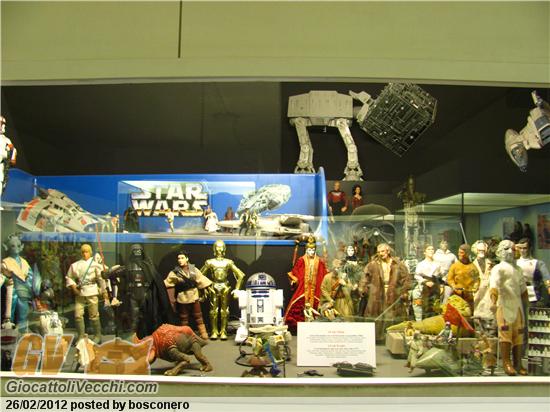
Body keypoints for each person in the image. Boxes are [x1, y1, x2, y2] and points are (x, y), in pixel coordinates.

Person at [489, 240, 528, 376]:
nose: (510, 251)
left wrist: (527, 305)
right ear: (500, 252)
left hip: (517, 306)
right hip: (504, 304)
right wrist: (493, 302)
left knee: (519, 333)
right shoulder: (498, 268)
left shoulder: (518, 269)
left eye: (512, 249)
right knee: (505, 333)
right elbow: (494, 286)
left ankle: (518, 363)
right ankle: (506, 362)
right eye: (506, 249)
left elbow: (523, 289)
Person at [360, 243, 411, 341]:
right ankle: (377, 338)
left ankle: (392, 338)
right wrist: (363, 288)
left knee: (392, 315)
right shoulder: (373, 264)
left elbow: (406, 278)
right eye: (378, 252)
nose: (380, 253)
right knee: (376, 314)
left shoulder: (397, 264)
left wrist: (404, 290)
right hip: (377, 293)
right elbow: (365, 277)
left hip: (393, 293)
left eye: (382, 251)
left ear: (388, 251)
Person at [200, 240, 245, 340]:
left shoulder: (228, 262)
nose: (219, 249)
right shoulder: (210, 262)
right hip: (213, 286)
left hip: (225, 287)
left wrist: (237, 289)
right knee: (213, 311)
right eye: (217, 247)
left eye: (221, 247)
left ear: (224, 249)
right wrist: (205, 287)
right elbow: (200, 275)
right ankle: (214, 331)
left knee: (225, 311)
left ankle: (223, 331)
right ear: (214, 249)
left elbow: (241, 275)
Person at [66, 244, 109, 343]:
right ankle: (81, 336)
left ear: (90, 253)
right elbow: (69, 277)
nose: (85, 254)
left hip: (92, 290)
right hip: (80, 292)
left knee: (94, 314)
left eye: (87, 252)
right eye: (83, 252)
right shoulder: (76, 265)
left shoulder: (95, 265)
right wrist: (74, 287)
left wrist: (104, 291)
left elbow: (101, 279)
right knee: (78, 314)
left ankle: (97, 335)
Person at [284, 236, 328, 332]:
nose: (311, 252)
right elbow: (295, 271)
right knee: (299, 305)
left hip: (315, 289)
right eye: (309, 250)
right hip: (303, 288)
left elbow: (323, 274)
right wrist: (295, 280)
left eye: (313, 250)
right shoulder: (301, 260)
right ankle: (297, 327)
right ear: (306, 250)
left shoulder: (319, 261)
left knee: (318, 306)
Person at [164, 251, 212, 340]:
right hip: (182, 297)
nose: (180, 260)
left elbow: (201, 279)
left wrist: (207, 288)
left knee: (198, 316)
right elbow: (168, 283)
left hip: (194, 295)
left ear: (187, 258)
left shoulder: (193, 270)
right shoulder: (175, 272)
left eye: (182, 258)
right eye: (178, 258)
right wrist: (171, 298)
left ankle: (203, 333)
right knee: (184, 318)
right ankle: (184, 335)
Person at [1, 234, 35, 333]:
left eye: (18, 245)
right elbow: (2, 275)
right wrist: (6, 280)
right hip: (11, 291)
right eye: (12, 245)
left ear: (21, 247)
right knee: (9, 311)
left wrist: (29, 283)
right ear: (6, 247)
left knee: (23, 311)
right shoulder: (5, 262)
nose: (16, 247)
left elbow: (30, 275)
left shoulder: (24, 262)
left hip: (23, 291)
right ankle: (8, 328)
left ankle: (22, 329)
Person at [515, 237, 550, 306]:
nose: (522, 250)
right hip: (517, 296)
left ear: (530, 248)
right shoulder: (514, 263)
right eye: (520, 248)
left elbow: (547, 279)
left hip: (534, 297)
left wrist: (549, 287)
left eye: (525, 248)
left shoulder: (538, 263)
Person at [411, 244, 442, 321]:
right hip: (425, 288)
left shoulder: (437, 264)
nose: (431, 251)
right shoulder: (421, 264)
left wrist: (440, 284)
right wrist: (425, 282)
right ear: (424, 252)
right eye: (429, 249)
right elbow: (417, 276)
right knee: (426, 306)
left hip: (435, 286)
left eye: (432, 249)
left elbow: (440, 275)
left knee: (435, 306)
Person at [472, 240, 496, 335]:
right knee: (477, 310)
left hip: (488, 290)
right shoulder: (472, 264)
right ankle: (478, 331)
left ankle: (489, 331)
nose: (481, 252)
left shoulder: (490, 263)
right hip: (478, 291)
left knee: (488, 310)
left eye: (483, 250)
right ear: (475, 250)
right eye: (479, 250)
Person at [447, 244, 479, 310]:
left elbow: (476, 279)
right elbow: (450, 279)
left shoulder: (472, 267)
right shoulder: (454, 266)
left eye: (461, 252)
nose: (459, 254)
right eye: (458, 252)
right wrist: (453, 286)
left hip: (468, 296)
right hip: (457, 295)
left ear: (467, 254)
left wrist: (475, 287)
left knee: (468, 312)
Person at [0, 115, 17, 196]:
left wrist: (12, 158)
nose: (3, 126)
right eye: (1, 123)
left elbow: (13, 150)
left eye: (3, 124)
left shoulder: (6, 139)